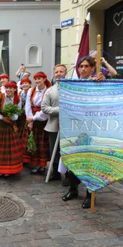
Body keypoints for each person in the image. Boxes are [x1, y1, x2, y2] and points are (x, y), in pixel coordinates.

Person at [61, 56, 105, 209]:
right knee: (74, 161)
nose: (83, 69)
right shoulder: (73, 85)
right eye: (81, 66)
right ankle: (73, 190)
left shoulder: (97, 83)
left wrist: (103, 81)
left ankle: (89, 195)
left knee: (89, 164)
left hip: (92, 129)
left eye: (86, 66)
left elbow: (106, 97)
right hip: (75, 129)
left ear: (92, 68)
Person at [41, 64, 68, 184]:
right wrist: (59, 110)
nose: (59, 74)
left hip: (69, 126)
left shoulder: (71, 88)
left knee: (66, 151)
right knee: (54, 151)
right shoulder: (49, 91)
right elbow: (44, 107)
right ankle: (55, 173)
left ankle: (68, 176)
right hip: (53, 125)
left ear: (65, 73)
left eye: (61, 71)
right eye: (56, 72)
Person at [23, 72, 51, 174]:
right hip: (32, 120)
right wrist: (29, 119)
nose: (37, 81)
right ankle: (35, 164)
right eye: (36, 79)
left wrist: (34, 118)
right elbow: (27, 105)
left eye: (39, 78)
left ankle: (42, 165)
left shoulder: (48, 91)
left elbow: (45, 110)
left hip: (43, 120)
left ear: (44, 79)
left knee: (42, 143)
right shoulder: (31, 90)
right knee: (33, 143)